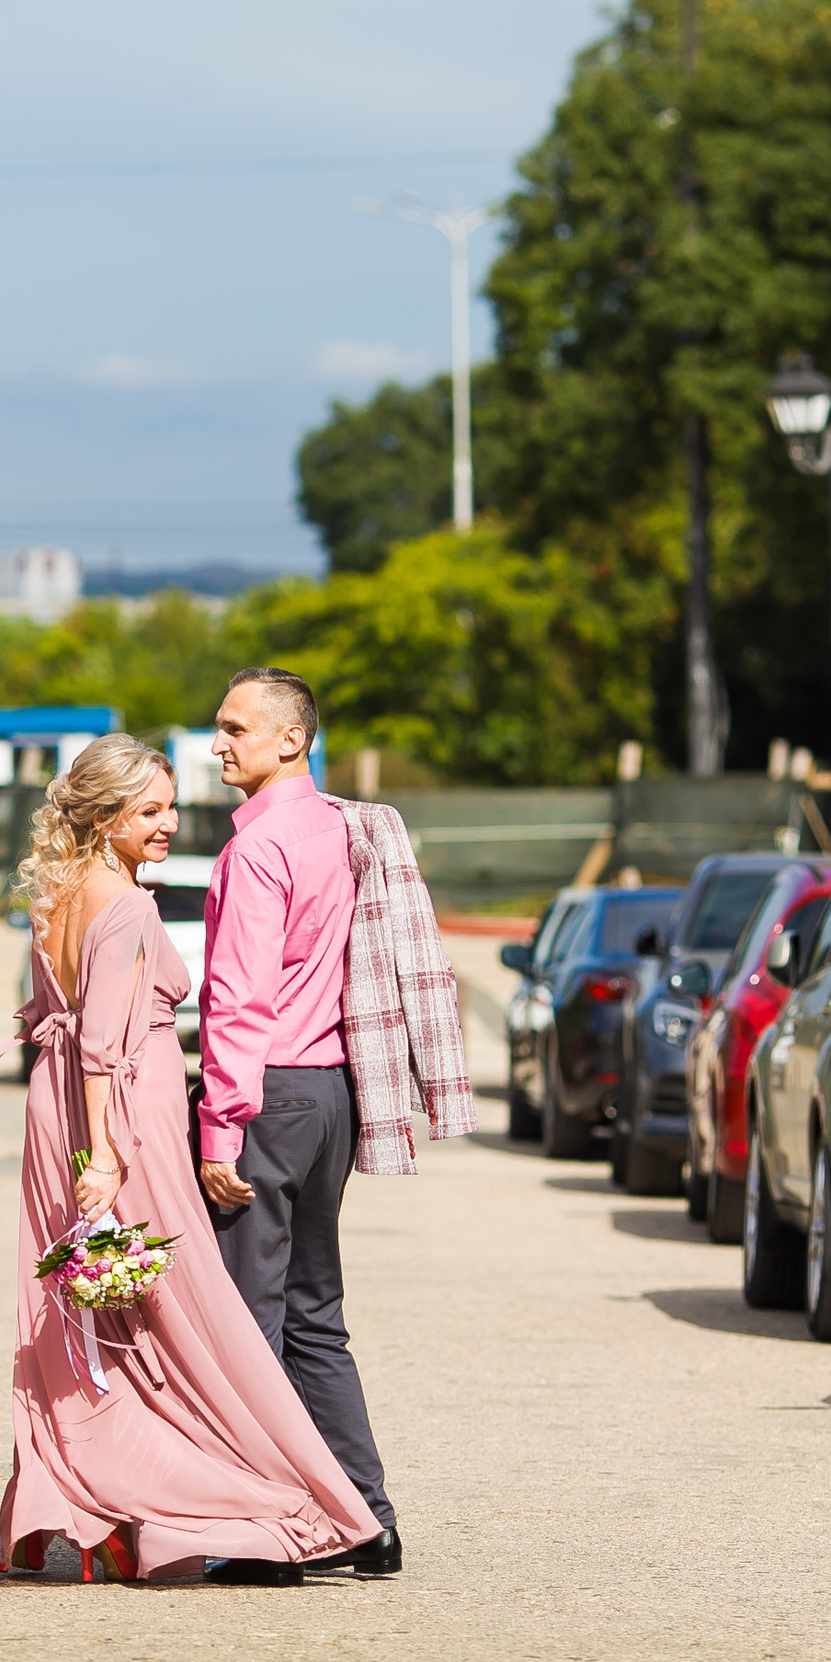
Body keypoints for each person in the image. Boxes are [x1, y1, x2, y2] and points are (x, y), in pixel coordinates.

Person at [0, 734, 379, 1584]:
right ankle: (264, 1488)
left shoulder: (58, 892)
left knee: (85, 1312)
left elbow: (53, 1022)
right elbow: (102, 1045)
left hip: (54, 1110)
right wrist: (105, 1158)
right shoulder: (127, 908)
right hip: (121, 1123)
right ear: (102, 818)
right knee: (184, 1313)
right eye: (149, 811)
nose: (170, 823)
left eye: (170, 806)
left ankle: (73, 1500)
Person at [196, 667, 474, 1585]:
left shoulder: (258, 847)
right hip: (332, 1094)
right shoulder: (345, 829)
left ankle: (271, 1533)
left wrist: (218, 1127)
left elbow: (238, 999)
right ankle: (369, 1521)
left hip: (267, 1092)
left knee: (251, 1319)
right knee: (316, 1315)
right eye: (219, 727)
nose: (218, 744)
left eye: (237, 727)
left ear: (292, 738)